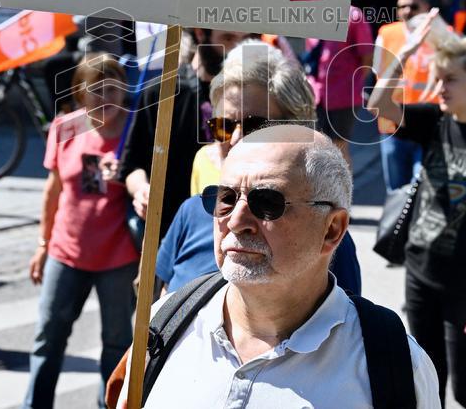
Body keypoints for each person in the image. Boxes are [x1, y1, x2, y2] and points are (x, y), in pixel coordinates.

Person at [116, 125, 441, 408]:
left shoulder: (392, 365)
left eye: (268, 202)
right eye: (225, 197)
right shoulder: (166, 323)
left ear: (331, 229)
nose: (237, 221)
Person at [368, 13, 466, 409]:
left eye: (450, 79)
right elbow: (378, 105)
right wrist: (404, 53)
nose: (439, 87)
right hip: (420, 272)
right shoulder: (435, 122)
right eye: (438, 79)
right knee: (427, 383)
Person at [159, 41, 360, 294]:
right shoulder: (191, 212)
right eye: (224, 126)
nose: (235, 140)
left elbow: (348, 322)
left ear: (298, 130)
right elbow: (163, 302)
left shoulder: (321, 231)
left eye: (256, 127)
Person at [25, 54, 141, 409]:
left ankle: (107, 405)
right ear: (80, 92)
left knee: (117, 343)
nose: (106, 98)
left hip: (119, 257)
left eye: (114, 89)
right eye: (96, 90)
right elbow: (53, 190)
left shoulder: (136, 128)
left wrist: (128, 177)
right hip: (66, 252)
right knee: (48, 337)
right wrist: (43, 244)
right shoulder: (65, 127)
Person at [121, 28, 246, 237]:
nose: (236, 49)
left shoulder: (257, 100)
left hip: (237, 233)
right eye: (228, 37)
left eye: (247, 39)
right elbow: (132, 164)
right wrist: (142, 190)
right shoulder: (162, 93)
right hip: (174, 236)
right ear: (200, 34)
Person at [374, 0, 437, 193]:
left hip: (428, 123)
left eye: (413, 6)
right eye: (402, 6)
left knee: (423, 189)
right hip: (393, 123)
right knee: (397, 192)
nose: (407, 11)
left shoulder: (441, 35)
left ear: (426, 6)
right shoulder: (387, 33)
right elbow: (377, 72)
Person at [304, 5, 374, 165]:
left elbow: (367, 57)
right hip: (316, 95)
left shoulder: (353, 15)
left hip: (343, 95)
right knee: (315, 147)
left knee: (339, 149)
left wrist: (352, 83)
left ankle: (343, 190)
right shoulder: (312, 13)